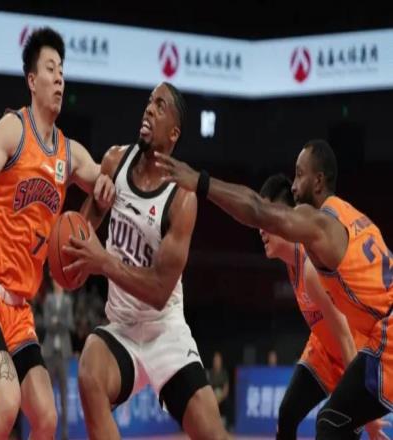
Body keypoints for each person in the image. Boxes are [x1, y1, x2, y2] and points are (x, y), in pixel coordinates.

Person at [155, 139, 392, 437]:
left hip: (380, 337)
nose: (294, 185)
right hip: (334, 345)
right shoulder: (348, 215)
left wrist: (201, 182)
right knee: (300, 415)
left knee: (332, 422)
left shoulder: (319, 234)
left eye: (300, 175)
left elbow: (257, 210)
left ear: (318, 181)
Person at [0, 27, 114, 439]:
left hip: (20, 311)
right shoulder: (12, 129)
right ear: (32, 80)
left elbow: (101, 177)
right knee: (7, 402)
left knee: (46, 416)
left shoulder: (68, 153)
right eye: (50, 69)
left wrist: (107, 183)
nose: (59, 78)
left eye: (62, 71)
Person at [63, 82, 230, 439]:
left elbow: (158, 291)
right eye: (149, 102)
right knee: (89, 370)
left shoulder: (182, 198)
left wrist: (104, 262)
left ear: (174, 133)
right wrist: (96, 206)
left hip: (164, 331)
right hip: (122, 329)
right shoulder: (114, 161)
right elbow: (77, 239)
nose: (149, 109)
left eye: (160, 105)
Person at [259, 174, 371, 438]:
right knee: (287, 414)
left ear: (288, 218)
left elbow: (345, 334)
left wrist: (359, 398)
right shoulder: (290, 263)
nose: (261, 229)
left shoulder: (313, 263)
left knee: (331, 429)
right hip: (323, 350)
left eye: (268, 220)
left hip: (354, 351)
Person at [42, 277, 74, 440]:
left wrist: (57, 320)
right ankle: (48, 432)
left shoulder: (68, 301)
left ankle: (65, 433)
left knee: (63, 394)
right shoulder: (48, 300)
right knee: (48, 395)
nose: (57, 283)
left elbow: (70, 324)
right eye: (55, 281)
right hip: (49, 354)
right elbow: (47, 323)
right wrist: (58, 322)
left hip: (63, 354)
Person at [207, 351, 230, 429]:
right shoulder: (210, 373)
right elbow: (208, 388)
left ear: (221, 361)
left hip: (221, 398)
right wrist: (214, 398)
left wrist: (220, 398)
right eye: (215, 360)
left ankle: (223, 424)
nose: (216, 362)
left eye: (218, 360)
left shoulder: (224, 373)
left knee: (226, 403)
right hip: (212, 397)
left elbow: (226, 389)